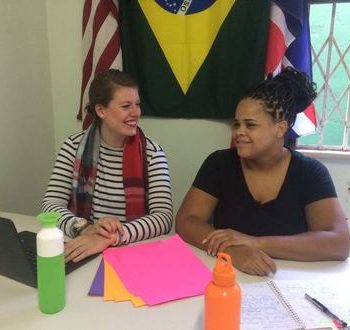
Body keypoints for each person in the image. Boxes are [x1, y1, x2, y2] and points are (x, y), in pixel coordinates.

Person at [176, 67, 350, 276]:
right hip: (228, 275)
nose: (239, 132)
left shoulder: (310, 172)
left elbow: (339, 243)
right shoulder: (219, 163)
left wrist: (255, 243)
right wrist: (232, 250)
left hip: (290, 280)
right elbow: (186, 221)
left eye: (250, 125)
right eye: (237, 124)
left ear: (280, 128)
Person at [42, 69, 173, 263]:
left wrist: (113, 237)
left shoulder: (153, 154)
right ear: (101, 110)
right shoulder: (73, 147)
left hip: (133, 253)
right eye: (126, 106)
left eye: (137, 104)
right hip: (84, 246)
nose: (136, 113)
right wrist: (85, 228)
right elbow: (50, 206)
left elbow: (163, 218)